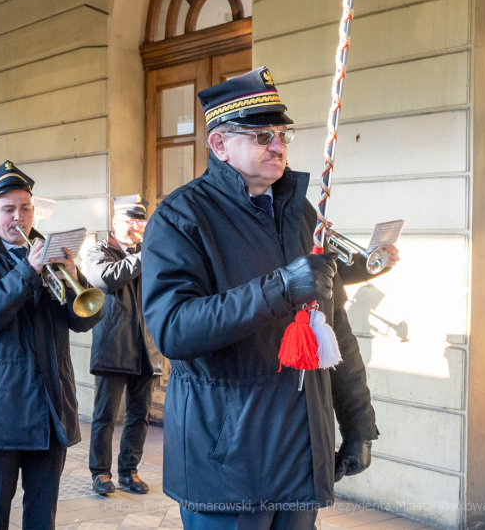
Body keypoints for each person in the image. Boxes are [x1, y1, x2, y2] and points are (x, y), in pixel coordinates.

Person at [141, 67, 400, 530]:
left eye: (282, 134)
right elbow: (173, 329)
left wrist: (358, 422)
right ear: (220, 144)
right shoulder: (180, 217)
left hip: (299, 452)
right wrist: (279, 289)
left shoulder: (300, 212)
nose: (278, 145)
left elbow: (333, 324)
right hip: (228, 461)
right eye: (262, 136)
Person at [0, 161, 103, 530]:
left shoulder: (51, 255)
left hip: (50, 402)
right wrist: (27, 272)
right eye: (8, 209)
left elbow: (83, 321)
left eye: (25, 208)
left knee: (42, 511)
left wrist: (74, 278)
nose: (18, 217)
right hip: (1, 404)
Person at [84, 194, 162, 497]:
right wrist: (144, 255)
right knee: (105, 415)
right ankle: (100, 473)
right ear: (115, 222)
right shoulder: (98, 251)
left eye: (141, 223)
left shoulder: (148, 251)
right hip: (114, 344)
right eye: (130, 222)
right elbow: (107, 280)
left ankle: (129, 471)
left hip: (146, 346)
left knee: (139, 415)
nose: (137, 227)